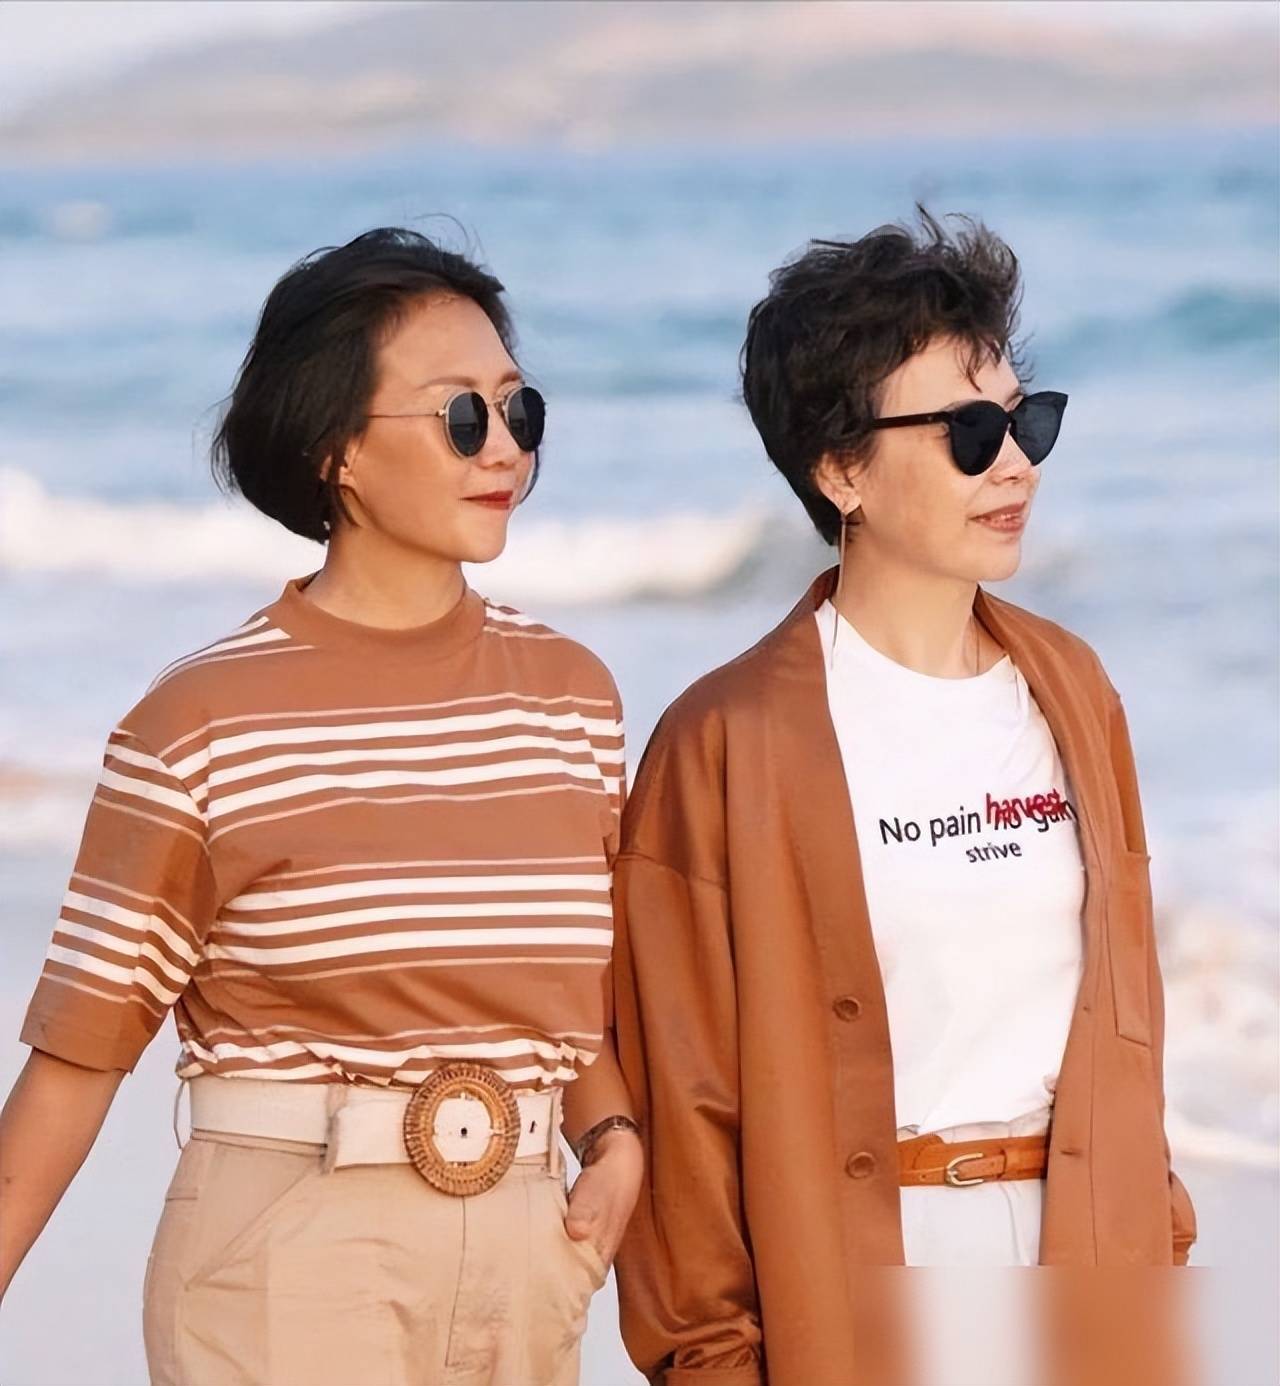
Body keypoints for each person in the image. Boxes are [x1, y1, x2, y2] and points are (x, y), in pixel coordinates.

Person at [0, 227, 641, 1385]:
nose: (504, 447)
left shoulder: (572, 698)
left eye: (519, 409)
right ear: (338, 446)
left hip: (525, 1259)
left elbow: (572, 999)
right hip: (287, 1257)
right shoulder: (200, 721)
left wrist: (614, 1138)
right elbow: (79, 1058)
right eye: (461, 417)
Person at [608, 208, 1196, 1386]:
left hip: (1085, 1284)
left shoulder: (1073, 692)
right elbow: (685, 1110)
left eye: (1027, 420)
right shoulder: (724, 742)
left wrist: (1160, 1258)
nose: (1015, 464)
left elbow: (1124, 1037)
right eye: (969, 433)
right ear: (840, 470)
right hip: (859, 1291)